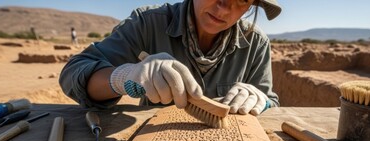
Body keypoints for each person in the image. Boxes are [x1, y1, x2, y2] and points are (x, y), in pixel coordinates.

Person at [59, 0, 281, 116]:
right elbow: (74, 73)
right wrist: (123, 77)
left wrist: (261, 101)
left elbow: (271, 103)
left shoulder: (257, 43)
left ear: (251, 5)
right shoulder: (147, 23)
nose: (224, 9)